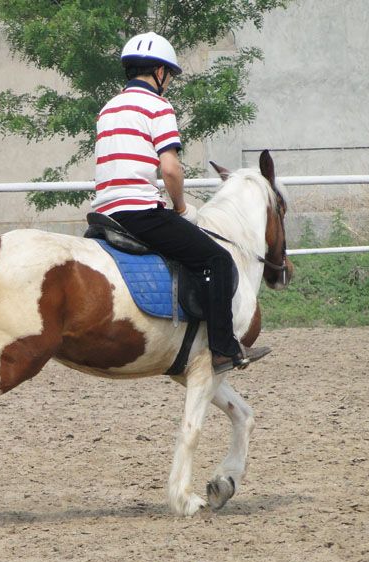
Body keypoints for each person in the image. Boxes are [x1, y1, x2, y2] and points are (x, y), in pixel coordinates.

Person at [93, 32, 270, 374]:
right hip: (140, 212)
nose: (169, 82)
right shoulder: (158, 106)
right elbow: (171, 169)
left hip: (104, 213)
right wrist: (181, 208)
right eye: (169, 74)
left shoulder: (108, 108)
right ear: (159, 72)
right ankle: (222, 348)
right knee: (217, 259)